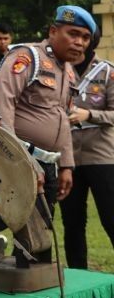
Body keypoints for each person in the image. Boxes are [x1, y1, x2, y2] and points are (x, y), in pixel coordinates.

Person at [0, 5, 95, 213]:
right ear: (53, 31)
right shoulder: (28, 57)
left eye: (85, 37)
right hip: (21, 160)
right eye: (73, 34)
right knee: (33, 238)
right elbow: (2, 108)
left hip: (49, 164)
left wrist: (66, 165)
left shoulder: (68, 71)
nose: (80, 42)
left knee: (42, 235)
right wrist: (22, 162)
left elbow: (64, 118)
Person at [59, 27, 114, 268]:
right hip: (67, 159)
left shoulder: (108, 71)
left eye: (84, 38)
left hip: (102, 157)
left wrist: (89, 114)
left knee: (111, 219)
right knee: (72, 223)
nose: (77, 43)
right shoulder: (57, 70)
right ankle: (77, 279)